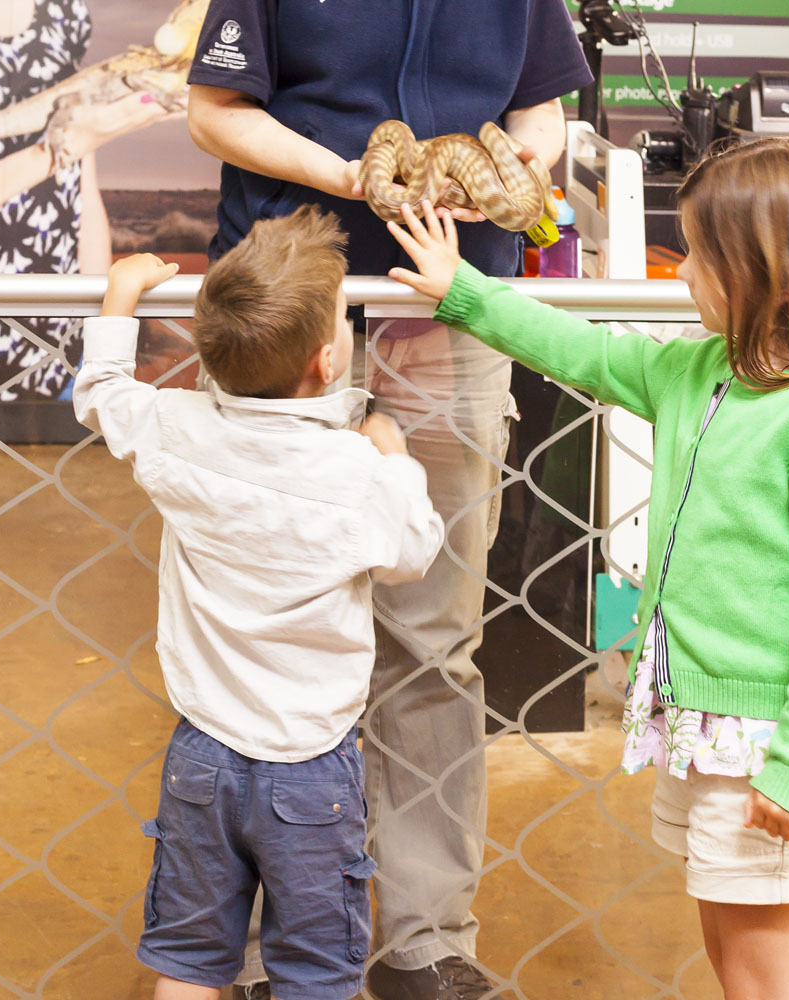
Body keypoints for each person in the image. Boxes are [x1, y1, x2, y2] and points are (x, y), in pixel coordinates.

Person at [386, 136, 789, 1000]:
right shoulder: (698, 371)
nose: (681, 271)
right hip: (704, 735)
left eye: (699, 256)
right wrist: (462, 291)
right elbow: (579, 352)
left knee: (765, 977)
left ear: (772, 275)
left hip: (767, 745)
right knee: (732, 959)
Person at [184, 5, 593, 999]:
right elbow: (214, 111)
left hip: (451, 305)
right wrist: (348, 177)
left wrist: (513, 169)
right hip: (290, 309)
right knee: (263, 630)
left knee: (435, 637)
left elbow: (538, 110)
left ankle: (425, 939)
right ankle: (256, 952)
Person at [72, 205, 445, 1000]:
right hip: (311, 767)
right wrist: (395, 460)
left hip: (201, 755)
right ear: (326, 361)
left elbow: (101, 393)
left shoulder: (173, 428)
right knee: (314, 969)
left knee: (186, 957)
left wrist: (121, 295)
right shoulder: (355, 473)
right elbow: (413, 552)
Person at [0, 0, 178, 404]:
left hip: (58, 340)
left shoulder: (65, 13)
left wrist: (97, 333)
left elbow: (81, 186)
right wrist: (62, 150)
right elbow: (75, 145)